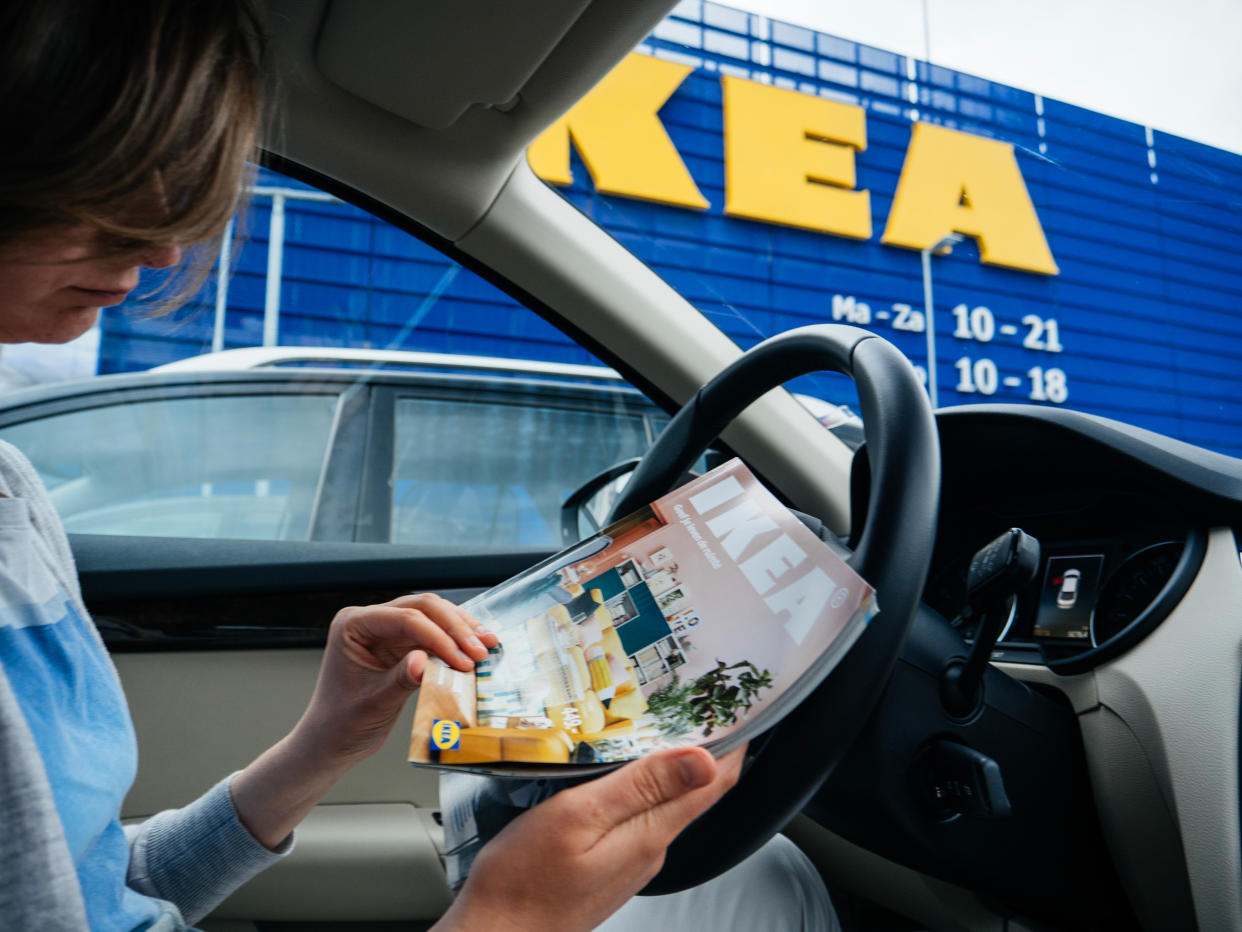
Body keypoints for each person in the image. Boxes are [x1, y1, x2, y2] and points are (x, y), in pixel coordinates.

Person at [0, 2, 837, 930]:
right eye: (107, 188)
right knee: (768, 891)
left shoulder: (14, 492)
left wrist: (319, 745)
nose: (161, 249)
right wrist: (510, 915)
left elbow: (102, 887)